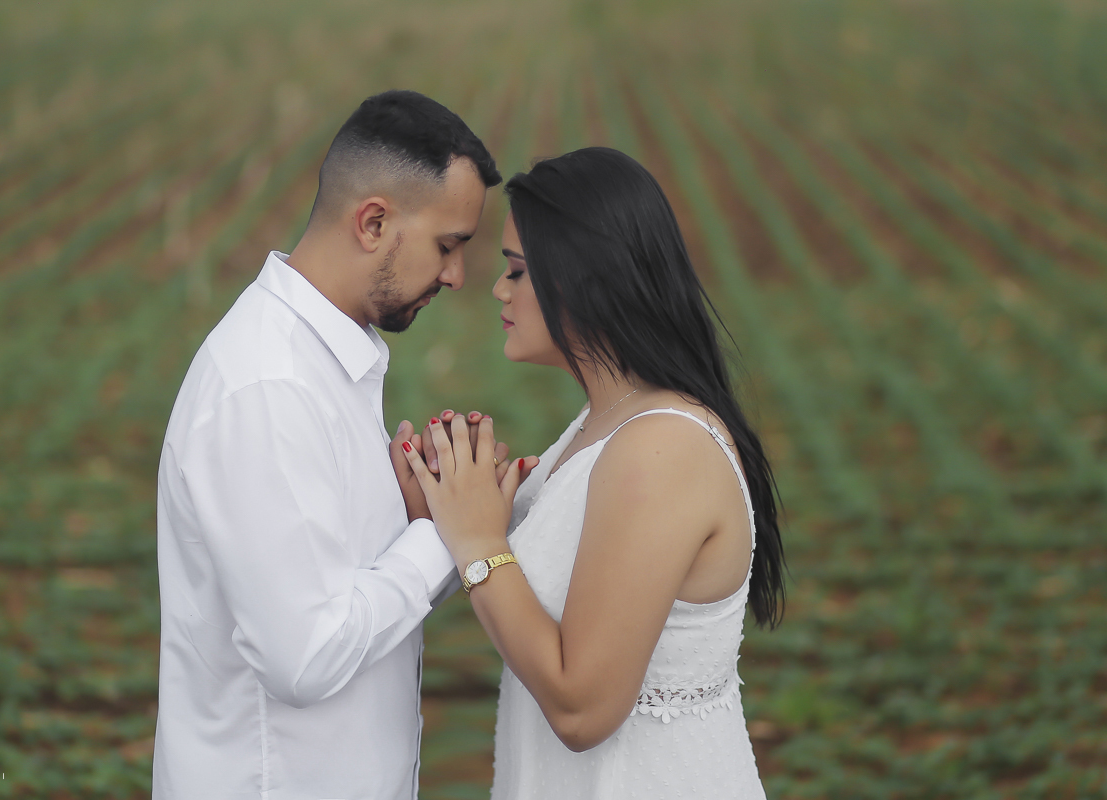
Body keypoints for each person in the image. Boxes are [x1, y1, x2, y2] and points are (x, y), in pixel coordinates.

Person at [151, 89, 534, 799]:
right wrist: (436, 533)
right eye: (448, 246)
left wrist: (450, 527)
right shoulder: (266, 389)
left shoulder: (327, 364)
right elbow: (305, 656)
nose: (455, 277)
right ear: (374, 222)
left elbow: (353, 589)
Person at [401, 147, 786, 799]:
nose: (499, 289)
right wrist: (443, 504)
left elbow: (583, 708)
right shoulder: (604, 425)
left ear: (583, 279)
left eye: (518, 272)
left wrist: (480, 542)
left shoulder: (662, 449)